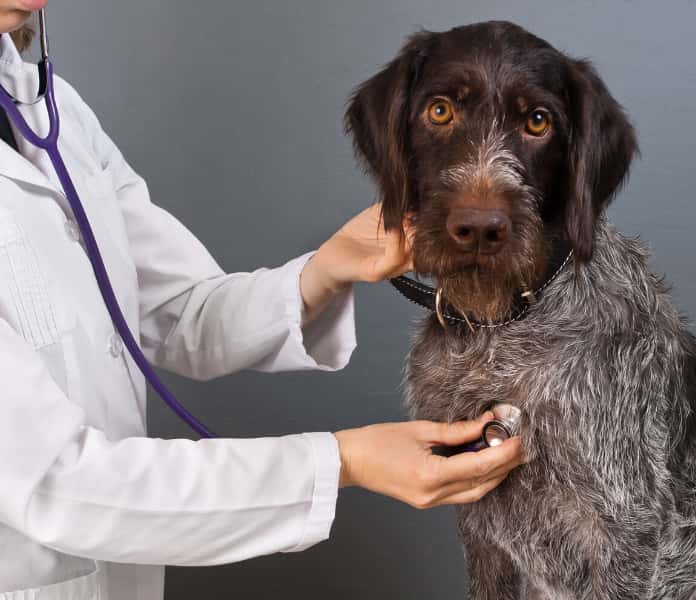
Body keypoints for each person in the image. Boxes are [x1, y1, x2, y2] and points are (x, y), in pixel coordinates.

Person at [0, 5, 525, 600]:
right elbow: (57, 485)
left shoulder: (52, 109)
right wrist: (341, 462)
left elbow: (181, 312)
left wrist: (329, 267)